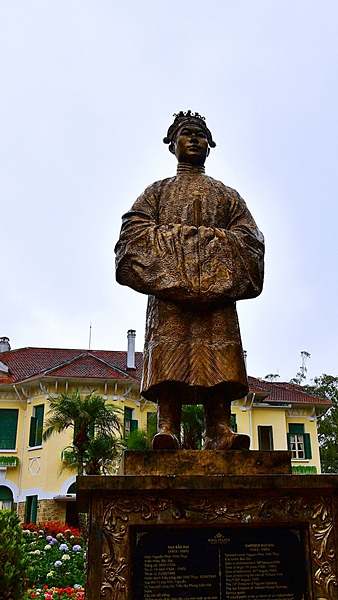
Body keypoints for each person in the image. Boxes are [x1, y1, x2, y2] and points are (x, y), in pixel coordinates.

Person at [115, 111, 264, 450]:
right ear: (173, 144)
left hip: (217, 304)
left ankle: (220, 429)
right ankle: (167, 427)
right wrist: (195, 249)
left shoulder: (227, 196)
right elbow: (132, 239)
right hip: (169, 302)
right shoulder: (156, 193)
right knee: (171, 354)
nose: (194, 139)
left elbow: (250, 241)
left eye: (200, 134)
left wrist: (195, 251)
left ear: (209, 145)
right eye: (187, 134)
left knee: (219, 359)